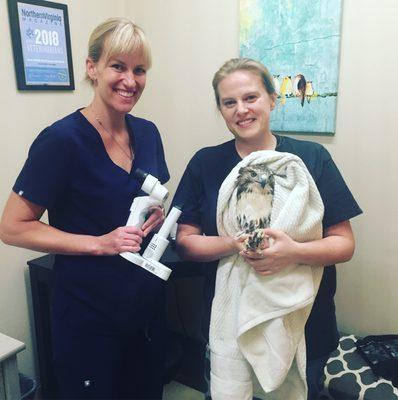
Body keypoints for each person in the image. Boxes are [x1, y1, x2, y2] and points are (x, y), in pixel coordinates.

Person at [172, 58, 362, 399]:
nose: (241, 110)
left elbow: (344, 244)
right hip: (229, 323)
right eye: (229, 102)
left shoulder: (310, 159)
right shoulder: (205, 163)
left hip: (305, 323)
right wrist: (234, 244)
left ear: (272, 99)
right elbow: (186, 243)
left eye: (251, 97)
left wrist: (292, 252)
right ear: (220, 109)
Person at [0, 18, 169, 400]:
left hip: (144, 309)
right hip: (89, 315)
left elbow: (149, 197)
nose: (131, 79)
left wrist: (155, 215)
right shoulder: (61, 141)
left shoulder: (148, 133)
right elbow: (12, 227)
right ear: (92, 68)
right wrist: (100, 243)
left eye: (139, 70)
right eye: (118, 66)